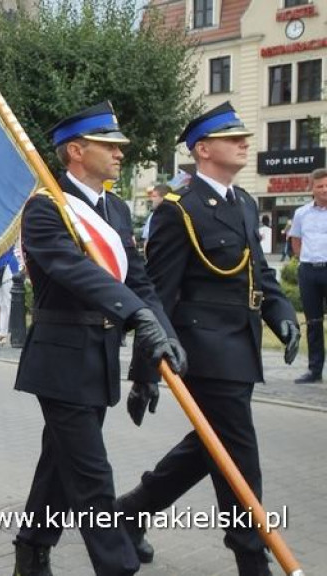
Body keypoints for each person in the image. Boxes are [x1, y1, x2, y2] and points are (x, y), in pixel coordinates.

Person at [117, 103, 300, 576]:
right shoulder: (179, 210)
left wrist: (282, 314)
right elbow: (156, 295)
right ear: (203, 149)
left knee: (211, 445)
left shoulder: (243, 202)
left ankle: (129, 514)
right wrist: (145, 374)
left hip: (241, 347)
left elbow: (259, 273)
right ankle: (251, 555)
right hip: (202, 352)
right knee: (238, 452)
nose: (244, 142)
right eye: (232, 136)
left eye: (244, 136)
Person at [11, 102, 184, 576]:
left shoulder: (115, 208)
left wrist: (161, 333)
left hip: (100, 357)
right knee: (92, 477)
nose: (119, 153)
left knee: (60, 463)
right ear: (75, 151)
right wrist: (135, 316)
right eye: (108, 146)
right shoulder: (45, 208)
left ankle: (32, 547)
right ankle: (118, 566)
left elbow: (139, 280)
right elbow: (77, 272)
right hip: (61, 359)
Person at [288, 168, 327, 383]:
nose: (324, 190)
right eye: (319, 186)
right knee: (313, 322)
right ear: (312, 188)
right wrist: (302, 260)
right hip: (309, 271)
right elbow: (296, 240)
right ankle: (314, 370)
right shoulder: (302, 213)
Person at [141, 184, 171, 253]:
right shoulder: (153, 215)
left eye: (154, 196)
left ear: (163, 198)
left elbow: (147, 242)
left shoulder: (154, 216)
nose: (151, 199)